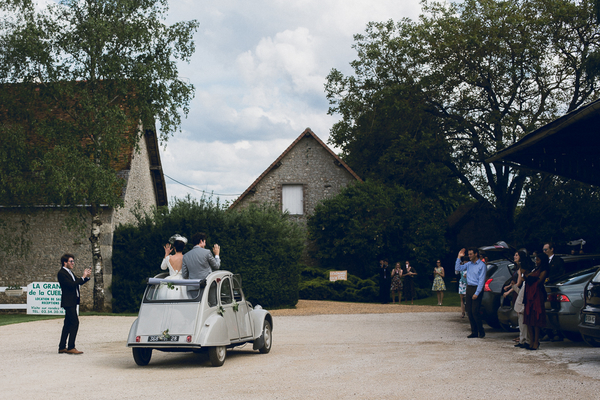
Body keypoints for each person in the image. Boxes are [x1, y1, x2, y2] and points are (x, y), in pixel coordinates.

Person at [57, 253, 91, 355]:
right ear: (65, 262)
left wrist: (86, 277)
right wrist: (83, 276)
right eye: (71, 261)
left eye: (73, 261)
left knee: (67, 324)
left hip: (72, 301)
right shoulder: (62, 273)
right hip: (68, 302)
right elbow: (71, 285)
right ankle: (71, 347)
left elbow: (78, 282)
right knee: (75, 322)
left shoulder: (70, 273)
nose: (73, 263)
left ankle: (62, 347)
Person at [455, 248, 487, 338]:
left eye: (471, 254)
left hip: (477, 288)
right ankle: (474, 331)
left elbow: (481, 281)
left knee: (475, 311)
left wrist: (477, 293)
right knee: (469, 310)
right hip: (469, 287)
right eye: (468, 254)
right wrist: (458, 257)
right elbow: (458, 268)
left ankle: (481, 330)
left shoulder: (482, 265)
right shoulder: (469, 264)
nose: (469, 256)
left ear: (476, 254)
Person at [503, 251, 532, 348]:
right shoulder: (519, 268)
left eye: (516, 255)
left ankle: (526, 339)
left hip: (522, 291)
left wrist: (511, 289)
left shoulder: (523, 269)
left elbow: (519, 283)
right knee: (520, 318)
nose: (515, 257)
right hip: (519, 291)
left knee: (523, 317)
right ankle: (522, 338)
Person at [182, 232, 221, 298]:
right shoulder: (207, 252)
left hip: (192, 287)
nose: (205, 244)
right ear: (201, 241)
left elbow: (184, 275)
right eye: (205, 242)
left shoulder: (186, 256)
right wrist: (217, 254)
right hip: (207, 286)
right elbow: (216, 266)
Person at [523, 252, 549, 350]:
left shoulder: (544, 270)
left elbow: (539, 282)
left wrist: (529, 277)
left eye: (538, 260)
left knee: (536, 319)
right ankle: (531, 340)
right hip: (529, 295)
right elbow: (527, 278)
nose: (536, 261)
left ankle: (536, 341)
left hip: (537, 295)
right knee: (529, 319)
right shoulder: (535, 269)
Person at [541, 242, 565, 342]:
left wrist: (550, 279)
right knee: (546, 311)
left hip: (554, 288)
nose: (544, 252)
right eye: (543, 250)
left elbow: (561, 273)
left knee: (555, 311)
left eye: (546, 249)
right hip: (545, 288)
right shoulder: (544, 261)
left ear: (551, 249)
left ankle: (558, 334)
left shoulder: (558, 260)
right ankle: (549, 332)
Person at [156, 234, 188, 300]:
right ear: (184, 247)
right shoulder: (186, 258)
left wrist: (166, 254)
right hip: (183, 282)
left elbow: (163, 267)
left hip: (170, 282)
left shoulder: (168, 258)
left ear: (174, 247)